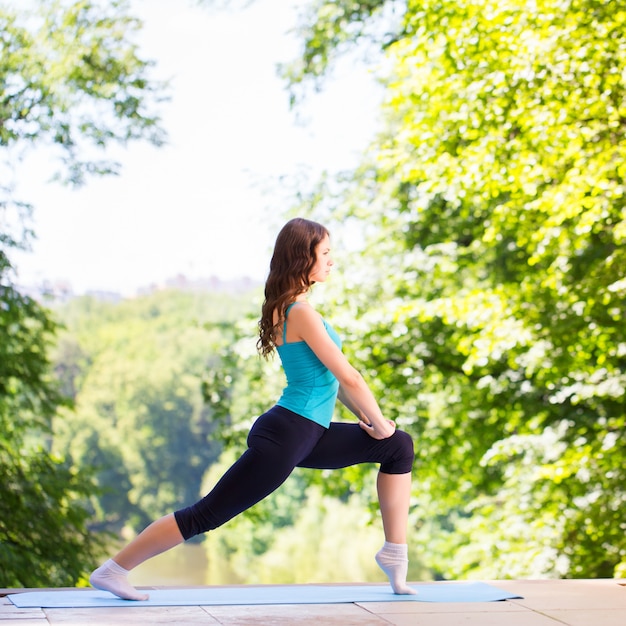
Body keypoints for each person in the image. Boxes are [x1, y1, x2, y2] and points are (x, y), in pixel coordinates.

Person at [90, 217, 416, 600]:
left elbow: (330, 381)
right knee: (206, 515)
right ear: (302, 258)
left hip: (309, 433)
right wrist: (380, 423)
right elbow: (350, 378)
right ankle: (112, 571)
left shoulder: (294, 309)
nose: (332, 261)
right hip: (288, 434)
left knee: (398, 447)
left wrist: (374, 425)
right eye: (325, 253)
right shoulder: (300, 313)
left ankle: (394, 553)